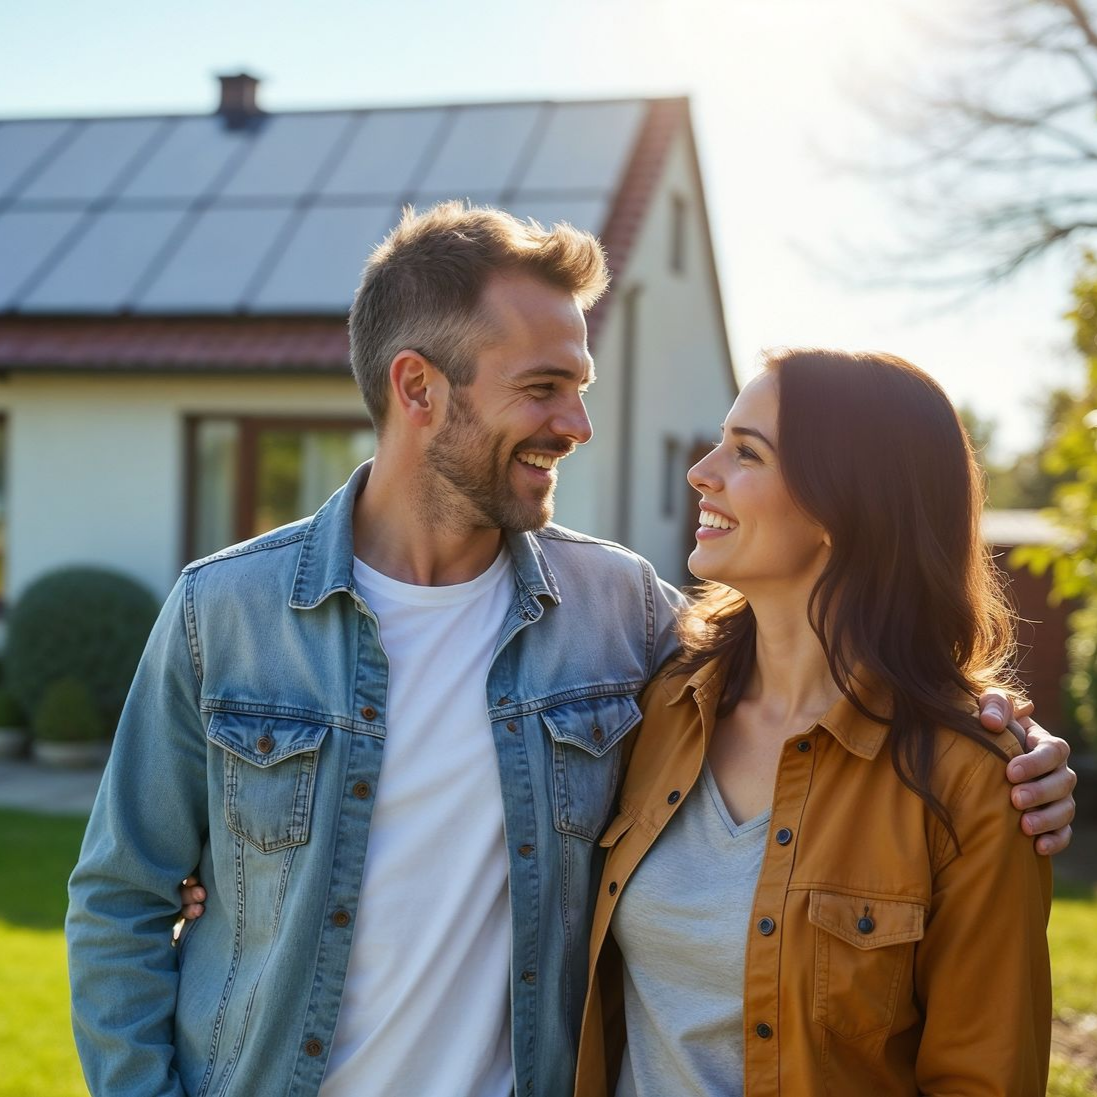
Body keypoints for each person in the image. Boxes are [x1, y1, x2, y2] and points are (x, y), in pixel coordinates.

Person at [67, 204, 1072, 1097]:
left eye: (581, 386)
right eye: (544, 387)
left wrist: (999, 731)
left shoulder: (620, 614)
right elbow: (122, 896)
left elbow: (829, 661)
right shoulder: (224, 612)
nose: (578, 425)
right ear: (418, 388)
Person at [574, 348, 1058, 1097]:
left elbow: (984, 1076)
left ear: (842, 503)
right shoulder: (662, 706)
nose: (702, 471)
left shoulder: (972, 777)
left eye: (746, 453)